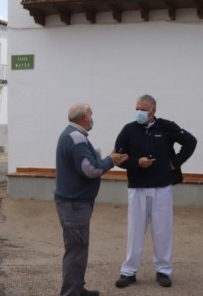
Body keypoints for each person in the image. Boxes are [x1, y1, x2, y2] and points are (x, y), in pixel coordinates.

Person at [113, 94, 197, 289]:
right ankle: (129, 271)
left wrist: (174, 163)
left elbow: (191, 142)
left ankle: (163, 270)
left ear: (153, 110)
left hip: (162, 187)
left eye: (142, 109)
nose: (139, 113)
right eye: (137, 109)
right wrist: (136, 163)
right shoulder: (129, 130)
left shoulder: (166, 127)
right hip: (138, 188)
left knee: (162, 230)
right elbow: (117, 156)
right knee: (135, 231)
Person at [54, 102, 128, 296]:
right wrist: (110, 161)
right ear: (84, 117)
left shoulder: (71, 134)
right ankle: (71, 292)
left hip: (73, 203)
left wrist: (106, 160)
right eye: (91, 114)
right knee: (76, 250)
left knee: (78, 249)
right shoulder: (76, 138)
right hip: (74, 204)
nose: (92, 118)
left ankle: (77, 288)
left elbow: (88, 164)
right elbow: (90, 169)